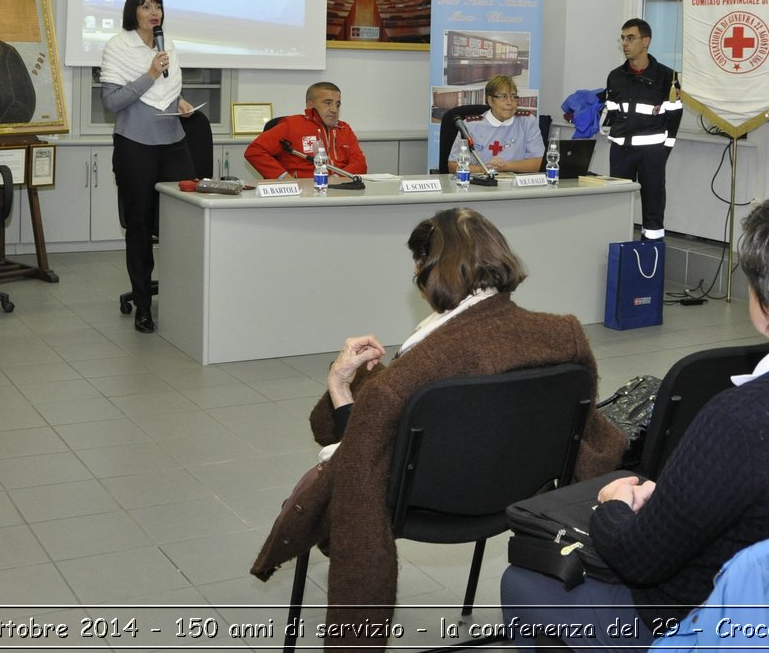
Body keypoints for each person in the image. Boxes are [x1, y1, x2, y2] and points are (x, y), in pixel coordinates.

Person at [500, 189, 769, 652]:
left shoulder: (739, 418)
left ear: (765, 302)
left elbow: (640, 562)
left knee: (522, 581)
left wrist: (613, 505)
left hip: (721, 625)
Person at [250, 208, 625, 649]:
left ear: (431, 271)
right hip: (523, 492)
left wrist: (340, 382)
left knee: (324, 484)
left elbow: (359, 453)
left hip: (426, 504)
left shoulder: (417, 367)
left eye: (418, 266)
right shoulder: (565, 335)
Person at [100, 0, 194, 333]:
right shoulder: (117, 47)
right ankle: (143, 305)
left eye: (158, 6)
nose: (154, 12)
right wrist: (151, 73)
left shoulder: (167, 44)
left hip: (173, 144)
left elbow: (165, 90)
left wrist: (180, 100)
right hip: (135, 146)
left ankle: (184, 297)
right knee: (139, 228)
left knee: (183, 221)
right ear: (132, 12)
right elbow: (112, 102)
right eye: (145, 7)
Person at [604, 19, 682, 240]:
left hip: (652, 154)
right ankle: (619, 256)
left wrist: (663, 150)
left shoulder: (668, 77)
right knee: (617, 207)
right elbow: (612, 111)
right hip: (620, 152)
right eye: (623, 39)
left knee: (653, 209)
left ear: (646, 41)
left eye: (631, 38)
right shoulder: (615, 76)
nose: (625, 44)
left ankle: (650, 259)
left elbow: (674, 117)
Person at [244, 82, 368, 179]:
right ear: (310, 105)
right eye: (328, 103)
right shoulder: (291, 125)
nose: (334, 109)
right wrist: (284, 178)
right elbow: (254, 151)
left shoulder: (344, 129)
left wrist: (337, 178)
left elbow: (360, 164)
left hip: (340, 190)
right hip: (302, 194)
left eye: (337, 104)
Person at [448, 74, 544, 174]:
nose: (509, 102)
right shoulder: (470, 126)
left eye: (513, 97)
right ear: (490, 100)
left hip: (517, 186)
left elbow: (539, 163)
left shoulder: (527, 122)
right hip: (480, 185)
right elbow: (453, 165)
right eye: (503, 97)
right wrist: (485, 169)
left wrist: (505, 166)